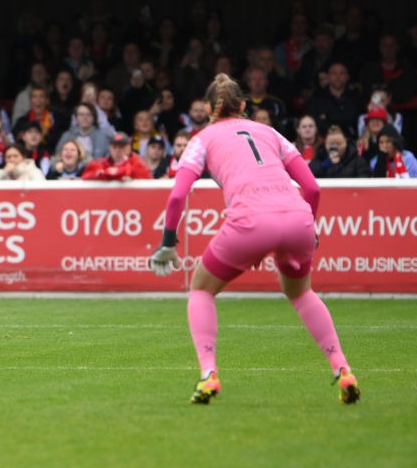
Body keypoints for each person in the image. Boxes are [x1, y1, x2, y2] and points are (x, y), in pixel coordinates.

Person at [148, 73, 360, 405]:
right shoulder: (270, 132)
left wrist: (167, 241)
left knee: (201, 288)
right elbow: (313, 188)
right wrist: (311, 229)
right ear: (244, 106)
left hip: (249, 222)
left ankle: (208, 375)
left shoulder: (201, 139)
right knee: (301, 292)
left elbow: (178, 196)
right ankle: (342, 367)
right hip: (297, 219)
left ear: (207, 108)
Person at [81, 131, 151, 181]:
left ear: (129, 148)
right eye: (114, 147)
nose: (118, 150)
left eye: (121, 147)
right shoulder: (103, 162)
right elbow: (86, 176)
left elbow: (148, 180)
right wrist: (106, 174)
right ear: (110, 148)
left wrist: (117, 171)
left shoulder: (137, 162)